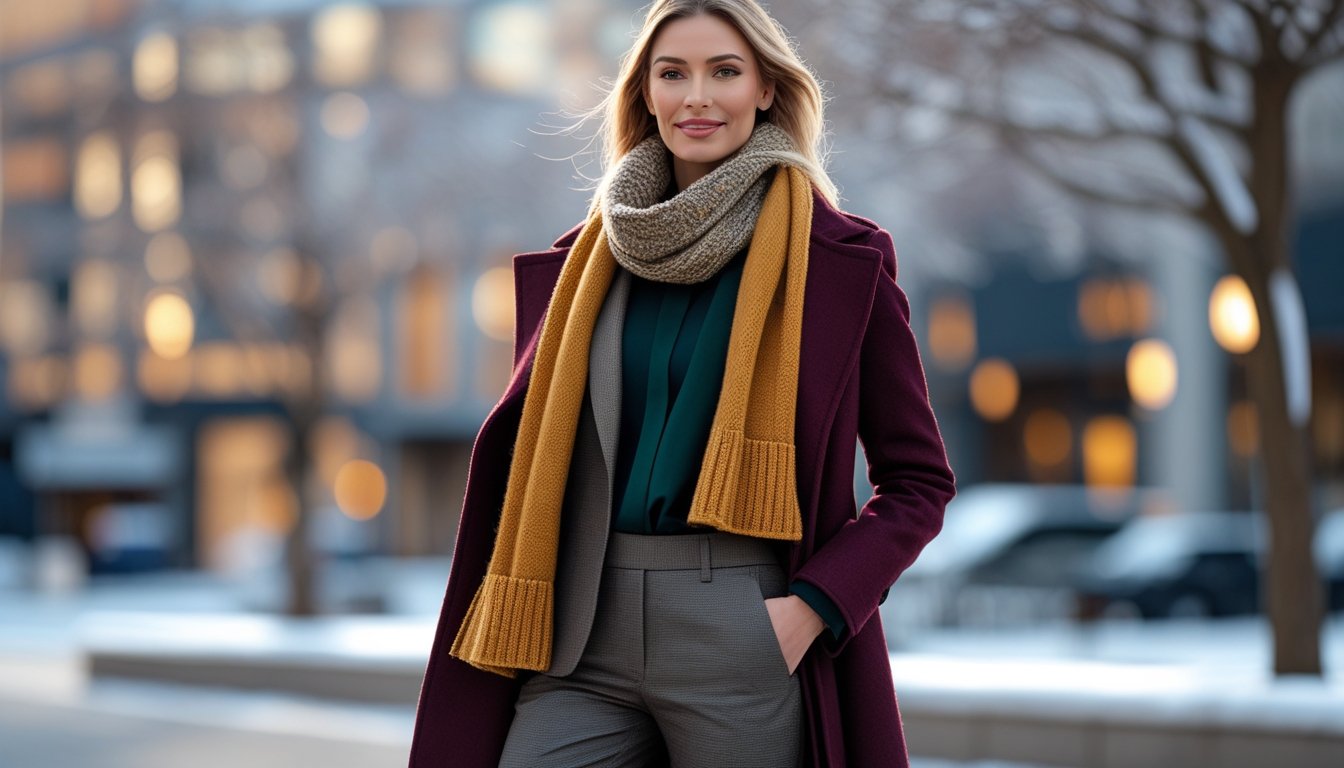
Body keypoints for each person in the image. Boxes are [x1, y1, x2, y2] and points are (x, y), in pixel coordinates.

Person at [408, 1, 955, 765]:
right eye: (674, 73)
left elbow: (918, 480)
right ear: (646, 94)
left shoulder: (836, 261)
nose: (697, 95)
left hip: (740, 625)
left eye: (724, 71)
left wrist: (811, 610)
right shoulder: (583, 267)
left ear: (766, 89)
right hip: (577, 627)